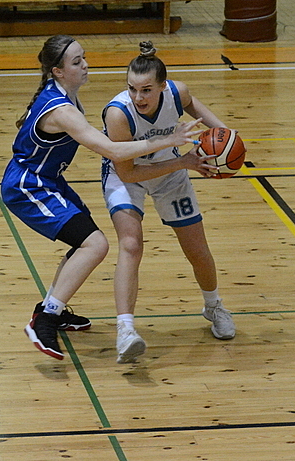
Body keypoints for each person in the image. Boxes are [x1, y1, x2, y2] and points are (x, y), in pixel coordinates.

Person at [0, 36, 202, 360]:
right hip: (29, 186)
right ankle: (45, 319)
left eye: (84, 57)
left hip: (50, 181)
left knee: (83, 243)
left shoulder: (63, 95)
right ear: (58, 71)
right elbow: (112, 150)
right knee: (95, 245)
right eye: (76, 61)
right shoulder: (62, 110)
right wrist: (169, 139)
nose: (85, 65)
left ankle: (52, 307)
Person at [101, 42, 236, 364]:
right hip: (127, 176)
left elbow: (205, 116)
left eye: (147, 90)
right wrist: (184, 161)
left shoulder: (178, 93)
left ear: (163, 86)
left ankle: (214, 306)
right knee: (131, 244)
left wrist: (227, 139)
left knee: (197, 248)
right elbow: (129, 173)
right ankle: (125, 330)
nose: (139, 97)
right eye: (132, 89)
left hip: (171, 172)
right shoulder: (118, 114)